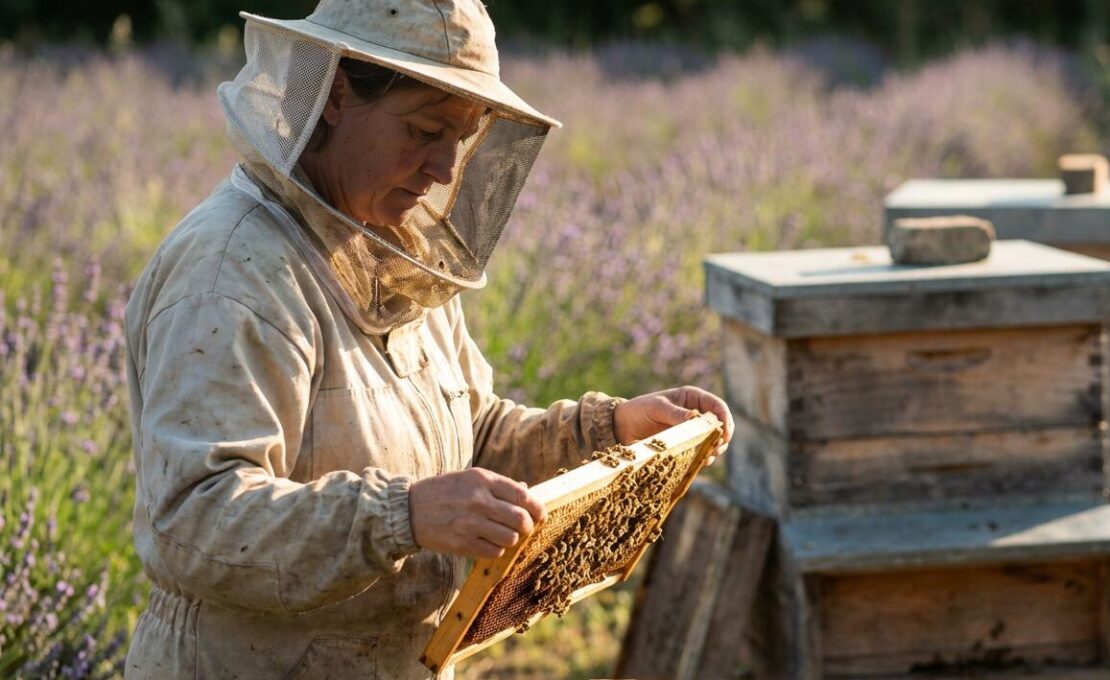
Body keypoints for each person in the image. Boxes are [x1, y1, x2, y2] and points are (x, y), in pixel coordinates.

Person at [121, 1, 734, 678]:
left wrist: (607, 431)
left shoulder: (393, 253)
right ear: (337, 94)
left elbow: (469, 432)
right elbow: (195, 520)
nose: (445, 168)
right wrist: (401, 515)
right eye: (424, 129)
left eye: (463, 137)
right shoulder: (231, 274)